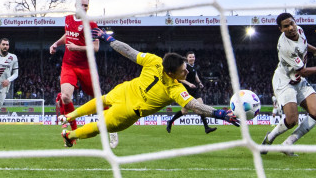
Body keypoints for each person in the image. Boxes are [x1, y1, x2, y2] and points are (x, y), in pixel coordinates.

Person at [58, 28, 240, 147]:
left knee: (103, 100)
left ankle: (68, 116)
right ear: (171, 73)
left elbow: (129, 52)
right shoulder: (175, 90)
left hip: (125, 89)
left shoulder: (155, 61)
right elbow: (194, 106)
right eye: (183, 71)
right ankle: (70, 135)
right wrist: (220, 114)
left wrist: (108, 38)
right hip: (129, 110)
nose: (186, 73)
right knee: (99, 126)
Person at [49, 0, 118, 148]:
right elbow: (68, 35)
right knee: (66, 97)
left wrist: (76, 48)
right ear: (75, 5)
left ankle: (112, 128)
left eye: (87, 5)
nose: (84, 8)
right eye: (82, 5)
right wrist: (56, 44)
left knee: (100, 101)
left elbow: (95, 48)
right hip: (68, 65)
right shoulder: (68, 19)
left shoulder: (91, 24)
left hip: (86, 67)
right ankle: (73, 134)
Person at [261, 13, 316, 156]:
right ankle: (269, 138)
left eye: (292, 23)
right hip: (285, 81)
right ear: (281, 29)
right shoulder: (286, 48)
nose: (291, 28)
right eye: (286, 26)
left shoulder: (299, 30)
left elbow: (304, 44)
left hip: (298, 80)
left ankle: (287, 144)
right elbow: (304, 71)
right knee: (292, 120)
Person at [166, 51, 216, 134]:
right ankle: (170, 122)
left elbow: (195, 75)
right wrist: (189, 84)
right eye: (190, 57)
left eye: (193, 57)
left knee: (201, 106)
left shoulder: (193, 66)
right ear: (187, 58)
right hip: (186, 90)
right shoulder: (184, 67)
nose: (192, 58)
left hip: (194, 90)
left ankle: (206, 128)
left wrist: (199, 83)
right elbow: (180, 78)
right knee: (184, 112)